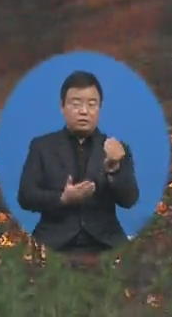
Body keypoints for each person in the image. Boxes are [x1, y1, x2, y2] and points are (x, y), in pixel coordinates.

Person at [17, 70, 139, 254]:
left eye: (92, 104)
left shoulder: (116, 148)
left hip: (105, 244)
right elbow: (26, 196)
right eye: (76, 104)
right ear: (62, 106)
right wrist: (63, 198)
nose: (84, 111)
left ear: (100, 108)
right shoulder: (42, 146)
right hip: (53, 244)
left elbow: (129, 200)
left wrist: (114, 170)